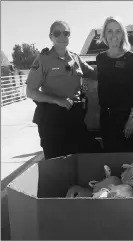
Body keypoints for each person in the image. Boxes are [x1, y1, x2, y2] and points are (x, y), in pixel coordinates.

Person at [26, 20, 102, 159]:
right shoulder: (43, 59)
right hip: (52, 119)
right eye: (57, 33)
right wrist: (57, 100)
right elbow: (30, 92)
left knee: (89, 153)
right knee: (57, 161)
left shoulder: (75, 58)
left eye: (66, 33)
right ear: (51, 37)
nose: (62, 36)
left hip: (74, 116)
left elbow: (95, 73)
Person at [96, 16, 133, 152]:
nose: (114, 35)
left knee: (129, 161)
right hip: (107, 119)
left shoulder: (131, 58)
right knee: (110, 160)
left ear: (123, 34)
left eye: (118, 31)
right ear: (105, 34)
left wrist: (132, 119)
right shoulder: (100, 58)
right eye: (110, 31)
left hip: (128, 118)